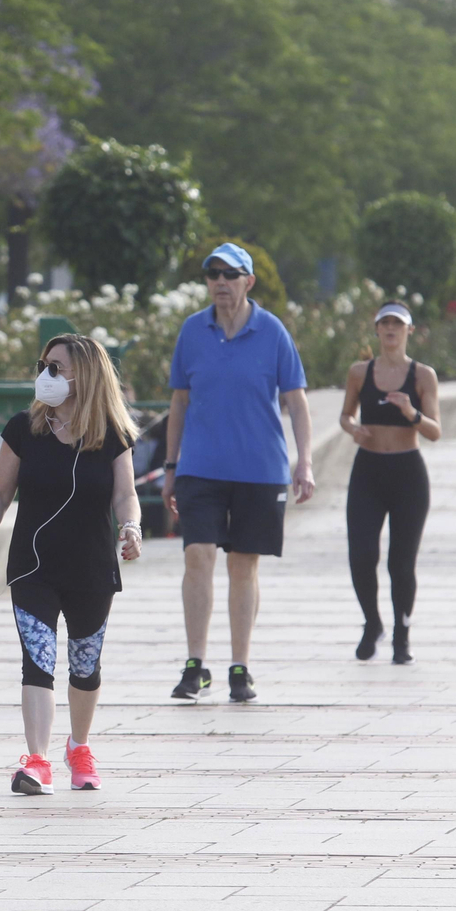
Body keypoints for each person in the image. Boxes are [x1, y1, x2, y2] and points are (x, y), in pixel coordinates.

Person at [0, 334, 142, 795]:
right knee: (37, 660)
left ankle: (78, 746)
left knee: (85, 665)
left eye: (57, 368)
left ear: (85, 376)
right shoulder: (24, 428)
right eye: (44, 364)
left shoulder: (113, 434)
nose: (46, 374)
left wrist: (131, 528)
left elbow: (126, 494)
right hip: (32, 567)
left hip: (92, 567)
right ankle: (37, 761)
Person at [161, 243, 314, 703]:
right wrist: (170, 466)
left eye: (231, 274)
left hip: (259, 470)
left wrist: (303, 460)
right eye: (213, 274)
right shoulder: (192, 331)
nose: (221, 282)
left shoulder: (273, 332)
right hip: (200, 468)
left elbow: (297, 400)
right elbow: (179, 403)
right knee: (198, 556)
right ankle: (195, 666)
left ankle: (239, 668)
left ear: (249, 281)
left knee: (243, 566)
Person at [339, 301, 441, 664]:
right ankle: (372, 622)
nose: (391, 330)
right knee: (362, 554)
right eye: (385, 324)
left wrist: (410, 412)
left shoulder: (422, 375)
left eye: (398, 324)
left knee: (402, 561)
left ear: (409, 331)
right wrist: (353, 428)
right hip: (368, 470)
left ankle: (402, 634)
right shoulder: (359, 372)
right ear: (377, 329)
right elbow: (346, 414)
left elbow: (435, 431)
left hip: (407, 474)